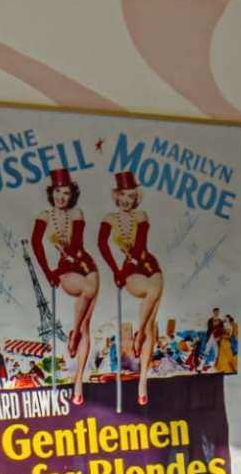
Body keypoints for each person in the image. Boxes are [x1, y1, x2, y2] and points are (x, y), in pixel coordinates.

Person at [98, 166, 166, 404]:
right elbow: (102, 245)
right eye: (122, 195)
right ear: (116, 195)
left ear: (136, 197)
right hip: (130, 272)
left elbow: (139, 246)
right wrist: (117, 270)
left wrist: (125, 267)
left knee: (152, 317)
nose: (126, 200)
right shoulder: (108, 219)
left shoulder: (141, 215)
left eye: (131, 196)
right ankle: (139, 335)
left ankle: (143, 383)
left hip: (149, 265)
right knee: (151, 291)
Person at [30, 171, 99, 396]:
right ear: (52, 192)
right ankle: (74, 333)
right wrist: (50, 272)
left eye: (66, 192)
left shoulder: (77, 213)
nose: (62, 196)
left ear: (72, 195)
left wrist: (70, 253)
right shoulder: (44, 215)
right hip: (65, 269)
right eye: (58, 191)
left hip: (85, 263)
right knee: (88, 289)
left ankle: (78, 382)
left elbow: (77, 244)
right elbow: (36, 244)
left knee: (87, 323)